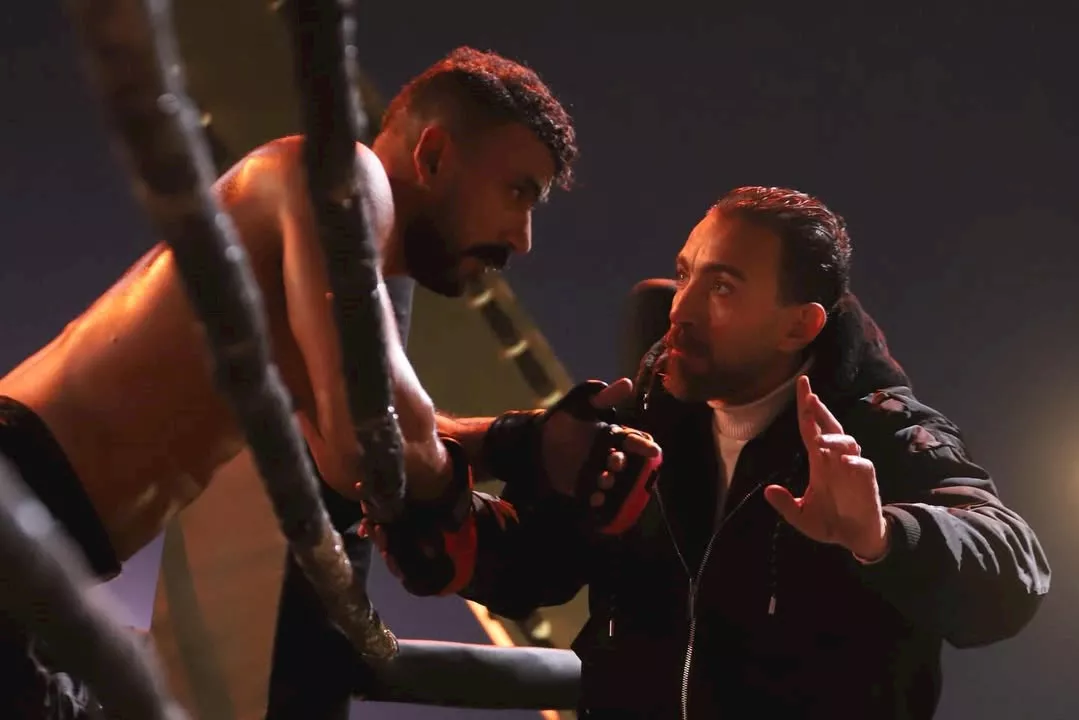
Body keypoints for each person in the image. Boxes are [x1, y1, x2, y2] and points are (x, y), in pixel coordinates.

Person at [0, 46, 656, 718]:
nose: (523, 237)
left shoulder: (311, 283)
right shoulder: (341, 181)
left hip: (38, 548)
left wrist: (522, 442)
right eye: (518, 192)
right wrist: (480, 530)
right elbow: (371, 436)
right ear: (433, 155)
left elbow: (351, 446)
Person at [378, 186, 1052, 718]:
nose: (682, 308)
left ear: (799, 325)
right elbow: (534, 570)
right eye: (686, 273)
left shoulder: (877, 433)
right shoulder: (649, 415)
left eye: (723, 287)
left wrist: (881, 535)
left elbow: (1012, 570)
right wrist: (437, 504)